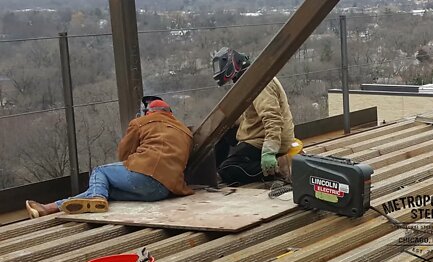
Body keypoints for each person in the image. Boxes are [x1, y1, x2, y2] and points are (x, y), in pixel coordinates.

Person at [25, 99, 193, 219]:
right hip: (162, 191)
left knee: (100, 172)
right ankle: (50, 208)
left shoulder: (142, 122)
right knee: (107, 191)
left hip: (144, 177)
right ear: (170, 114)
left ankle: (96, 197)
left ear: (149, 112)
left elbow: (124, 154)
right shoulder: (185, 131)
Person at [212, 47, 295, 184]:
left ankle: (280, 166)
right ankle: (216, 172)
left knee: (229, 169)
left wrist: (269, 151)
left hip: (270, 138)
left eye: (233, 79)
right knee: (223, 133)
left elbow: (272, 118)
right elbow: (250, 114)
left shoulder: (259, 83)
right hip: (258, 133)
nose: (233, 82)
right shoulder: (250, 80)